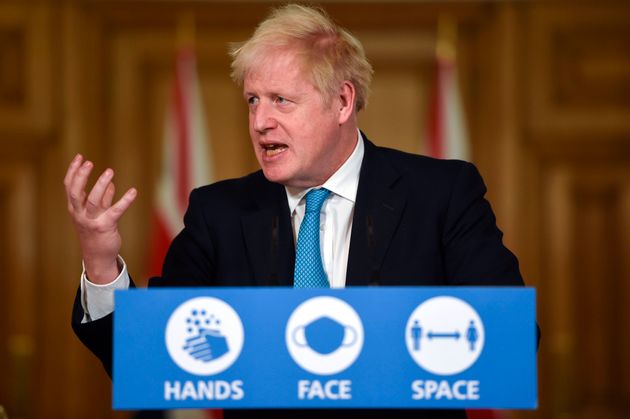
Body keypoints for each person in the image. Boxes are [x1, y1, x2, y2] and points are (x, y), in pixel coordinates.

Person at [66, 4, 527, 418]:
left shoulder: (440, 194)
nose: (260, 121)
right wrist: (101, 261)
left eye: (281, 100)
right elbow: (146, 359)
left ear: (343, 101)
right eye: (253, 100)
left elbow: (511, 342)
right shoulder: (219, 212)